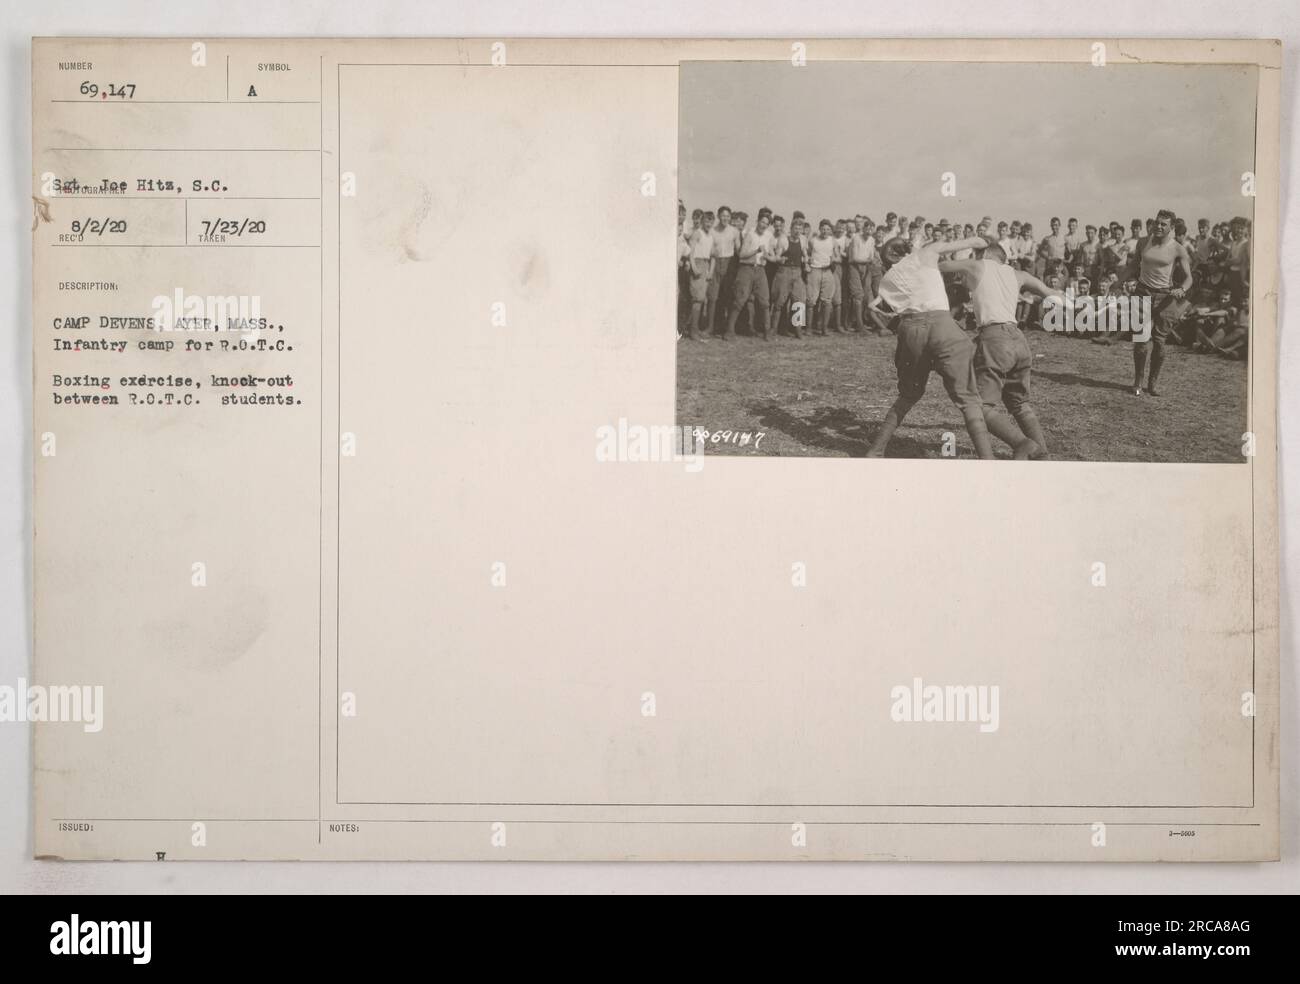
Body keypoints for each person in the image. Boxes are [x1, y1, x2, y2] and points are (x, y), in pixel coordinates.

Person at [865, 233, 997, 459]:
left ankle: (875, 450)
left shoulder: (889, 277)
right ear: (907, 250)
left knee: (908, 395)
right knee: (968, 399)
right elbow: (977, 243)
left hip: (911, 330)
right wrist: (985, 242)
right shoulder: (926, 253)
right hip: (940, 324)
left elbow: (873, 307)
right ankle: (988, 459)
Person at [940, 240, 1062, 458]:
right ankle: (1042, 454)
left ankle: (1022, 443)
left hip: (994, 338)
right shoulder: (1019, 274)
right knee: (1020, 403)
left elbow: (941, 266)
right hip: (1018, 340)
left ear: (986, 253)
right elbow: (1050, 292)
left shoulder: (977, 265)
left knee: (980, 406)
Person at [1124, 208, 1194, 396]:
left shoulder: (1178, 248)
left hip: (1165, 296)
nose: (1159, 227)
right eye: (1157, 222)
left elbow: (1189, 278)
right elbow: (1133, 265)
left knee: (1160, 342)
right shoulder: (1142, 242)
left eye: (1164, 224)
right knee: (1141, 339)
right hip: (1142, 293)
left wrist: (1182, 289)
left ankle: (1152, 383)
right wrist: (1126, 279)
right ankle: (1138, 380)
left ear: (1171, 227)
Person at [726, 212, 772, 340]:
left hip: (760, 270)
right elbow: (742, 255)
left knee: (765, 301)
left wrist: (770, 258)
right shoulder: (750, 234)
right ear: (757, 221)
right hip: (746, 269)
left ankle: (767, 331)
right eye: (762, 222)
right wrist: (756, 251)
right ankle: (729, 331)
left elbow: (769, 254)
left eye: (766, 224)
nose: (763, 225)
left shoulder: (768, 236)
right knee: (740, 300)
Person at [769, 216, 808, 338]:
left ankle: (798, 330)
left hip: (797, 272)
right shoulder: (783, 239)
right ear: (791, 229)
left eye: (800, 228)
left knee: (799, 301)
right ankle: (774, 329)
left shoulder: (803, 239)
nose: (797, 231)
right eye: (795, 228)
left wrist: (806, 262)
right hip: (784, 272)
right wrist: (780, 259)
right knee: (780, 301)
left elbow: (805, 254)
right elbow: (777, 256)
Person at [685, 210, 716, 341]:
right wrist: (694, 267)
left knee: (701, 298)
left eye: (711, 221)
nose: (708, 223)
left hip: (706, 265)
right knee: (697, 298)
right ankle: (693, 331)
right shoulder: (698, 233)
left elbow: (713, 256)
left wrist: (710, 271)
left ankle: (694, 328)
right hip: (697, 263)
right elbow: (690, 253)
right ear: (702, 221)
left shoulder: (711, 236)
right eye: (706, 220)